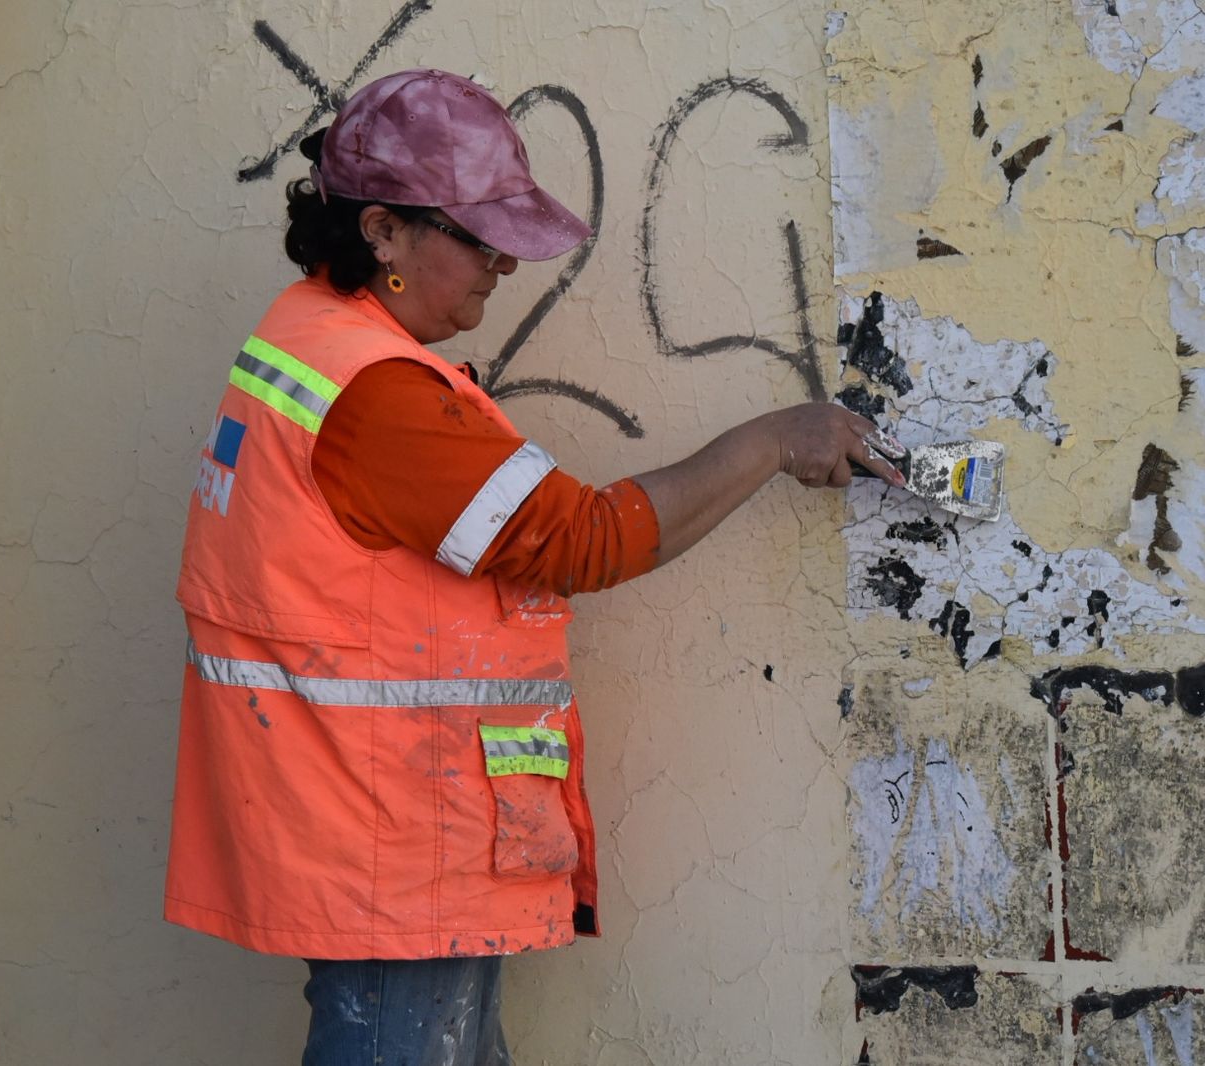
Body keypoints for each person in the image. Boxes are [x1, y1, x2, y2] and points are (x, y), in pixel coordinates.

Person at [165, 68, 905, 1066]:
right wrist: (772, 441)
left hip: (367, 831)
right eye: (478, 237)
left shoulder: (313, 336)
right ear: (381, 229)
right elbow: (580, 539)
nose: (503, 265)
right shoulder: (374, 393)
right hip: (391, 849)